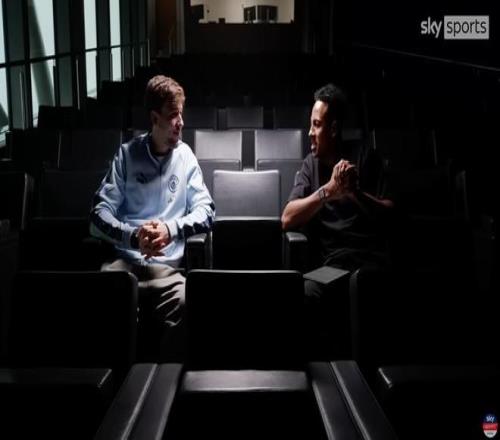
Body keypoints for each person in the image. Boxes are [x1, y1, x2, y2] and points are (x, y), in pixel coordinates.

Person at [90, 75, 215, 361]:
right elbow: (98, 214)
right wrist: (134, 236)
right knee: (100, 302)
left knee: (187, 303)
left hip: (167, 271)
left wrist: (171, 229)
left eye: (181, 114)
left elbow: (207, 211)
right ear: (154, 118)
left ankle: (165, 379)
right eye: (172, 116)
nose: (180, 122)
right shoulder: (126, 155)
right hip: (124, 266)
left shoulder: (185, 157)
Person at [281, 83, 394, 357]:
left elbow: (391, 215)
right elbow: (287, 218)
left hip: (372, 263)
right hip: (332, 265)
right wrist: (328, 191)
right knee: (300, 293)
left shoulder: (365, 156)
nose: (310, 132)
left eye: (316, 125)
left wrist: (354, 192)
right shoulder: (310, 165)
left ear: (333, 129)